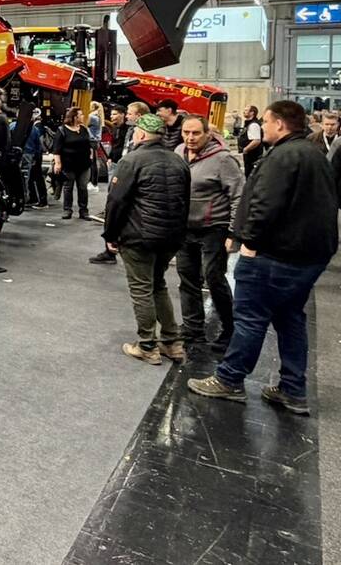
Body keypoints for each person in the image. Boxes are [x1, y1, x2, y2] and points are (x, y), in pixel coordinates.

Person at [188, 101, 339, 416]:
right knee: (290, 318)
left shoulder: (282, 157)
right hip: (309, 255)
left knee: (251, 317)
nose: (263, 128)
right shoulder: (313, 154)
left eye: (267, 122)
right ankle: (292, 389)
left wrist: (250, 243)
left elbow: (263, 204)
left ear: (281, 124)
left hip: (277, 254)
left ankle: (229, 380)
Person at [103, 113, 191, 365]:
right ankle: (172, 342)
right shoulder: (178, 160)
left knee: (141, 288)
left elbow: (117, 201)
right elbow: (185, 200)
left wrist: (110, 235)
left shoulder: (132, 160)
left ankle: (148, 345)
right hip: (171, 236)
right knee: (157, 284)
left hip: (139, 236)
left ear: (140, 134)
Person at [175, 114, 244, 349]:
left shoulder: (223, 160)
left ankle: (230, 328)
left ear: (208, 134)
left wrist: (233, 233)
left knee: (214, 278)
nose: (190, 138)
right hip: (185, 229)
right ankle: (193, 329)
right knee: (188, 279)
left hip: (213, 228)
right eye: (186, 133)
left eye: (195, 133)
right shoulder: (179, 152)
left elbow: (238, 197)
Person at [90, 103, 150, 264]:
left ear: (139, 116)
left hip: (130, 174)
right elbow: (125, 149)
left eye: (130, 113)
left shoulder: (143, 134)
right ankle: (110, 249)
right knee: (114, 207)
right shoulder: (131, 130)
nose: (128, 116)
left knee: (120, 208)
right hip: (122, 168)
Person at [52, 106, 93, 220]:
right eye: (81, 114)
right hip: (68, 164)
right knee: (68, 187)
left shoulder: (84, 129)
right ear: (75, 117)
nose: (83, 116)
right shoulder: (62, 130)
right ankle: (67, 210)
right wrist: (58, 163)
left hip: (84, 164)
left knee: (83, 187)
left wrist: (90, 156)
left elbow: (88, 145)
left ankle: (83, 211)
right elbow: (56, 149)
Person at [14, 114, 44, 207]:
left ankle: (16, 198)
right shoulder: (34, 129)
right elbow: (38, 145)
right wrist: (36, 157)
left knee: (15, 177)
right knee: (25, 177)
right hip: (29, 154)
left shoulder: (13, 126)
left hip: (16, 154)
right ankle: (25, 198)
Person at [238, 105, 264, 177]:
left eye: (246, 110)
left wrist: (246, 149)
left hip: (253, 156)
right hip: (249, 155)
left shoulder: (254, 125)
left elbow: (256, 140)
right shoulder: (249, 124)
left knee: (250, 175)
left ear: (252, 113)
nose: (244, 112)